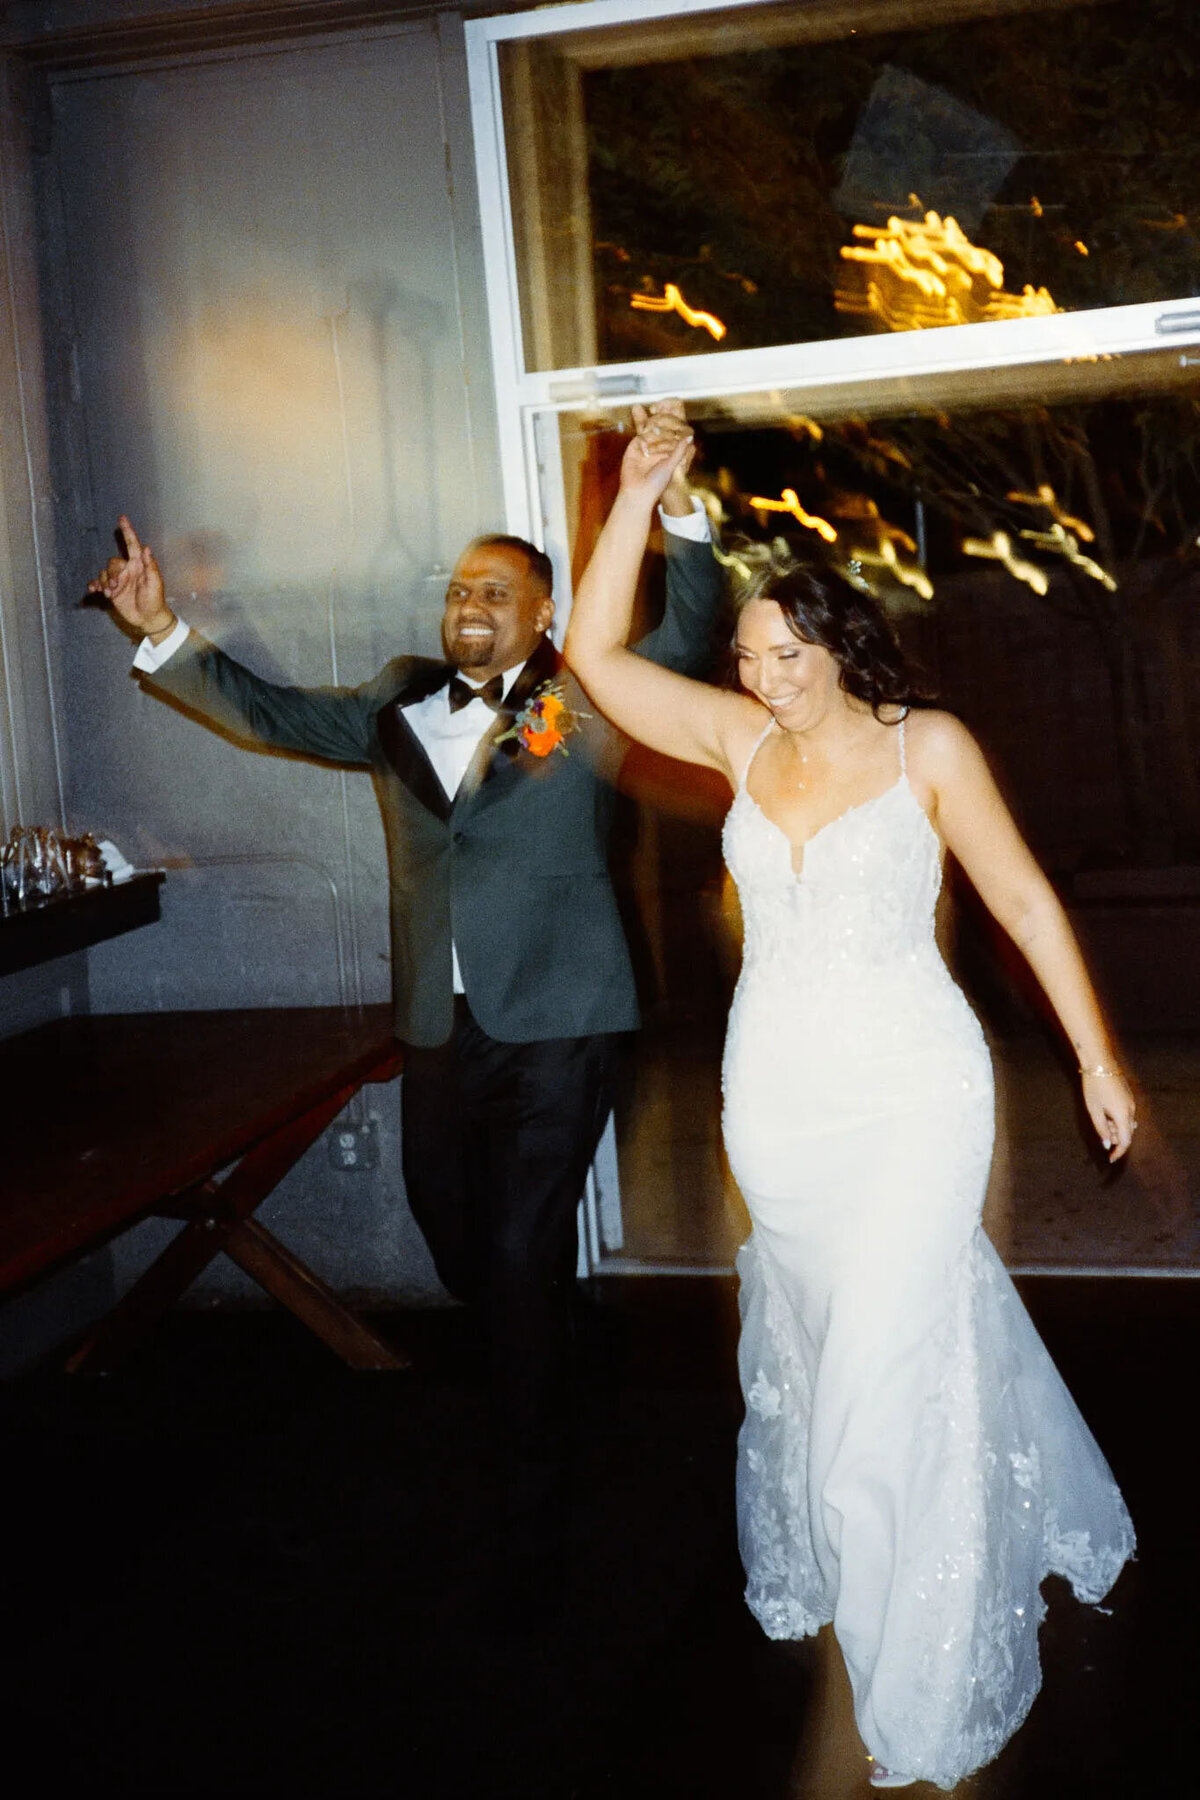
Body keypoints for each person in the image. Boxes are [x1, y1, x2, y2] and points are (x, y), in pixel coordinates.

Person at [563, 427, 1136, 1787]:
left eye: (784, 654)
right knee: (840, 1345)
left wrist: (1098, 1057)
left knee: (879, 1378)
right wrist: (638, 498)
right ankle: (935, 1524)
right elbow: (592, 655)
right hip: (778, 1102)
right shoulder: (737, 740)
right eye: (746, 656)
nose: (759, 675)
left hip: (916, 1095)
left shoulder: (925, 743)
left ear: (842, 647)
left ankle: (917, 1671)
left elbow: (1023, 900)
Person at [89, 401, 723, 1599]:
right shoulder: (394, 703)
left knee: (522, 1246)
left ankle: (531, 1522)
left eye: (496, 591)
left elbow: (689, 630)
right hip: (441, 1025)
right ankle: (554, 1343)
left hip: (563, 1020)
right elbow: (271, 711)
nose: (469, 606)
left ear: (542, 613)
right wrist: (162, 626)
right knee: (456, 1236)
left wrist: (674, 503)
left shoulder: (579, 698)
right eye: (457, 592)